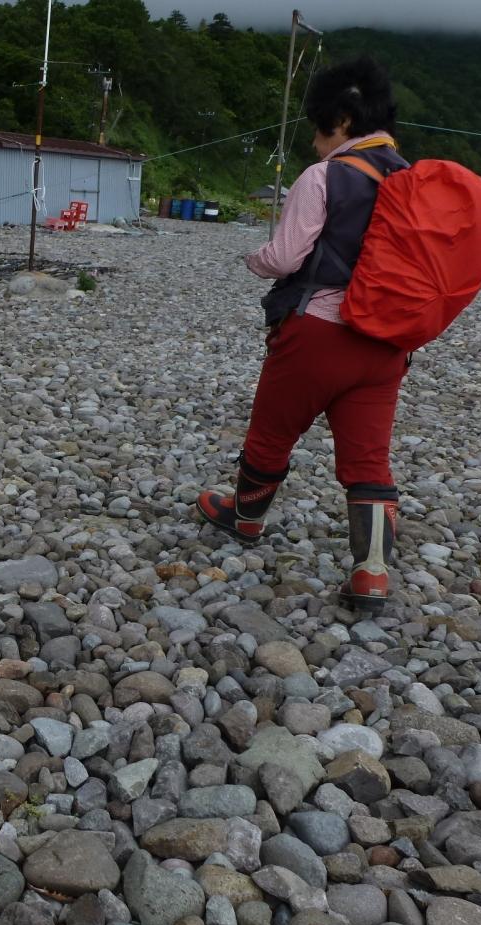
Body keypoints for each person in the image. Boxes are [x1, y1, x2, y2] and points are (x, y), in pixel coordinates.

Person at [196, 56, 410, 614]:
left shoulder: (324, 176)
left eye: (318, 127)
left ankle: (245, 518)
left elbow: (286, 257)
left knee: (273, 430)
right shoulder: (411, 180)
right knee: (369, 458)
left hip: (319, 332)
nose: (315, 141)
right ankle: (372, 571)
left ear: (342, 121)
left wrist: (254, 258)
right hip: (388, 342)